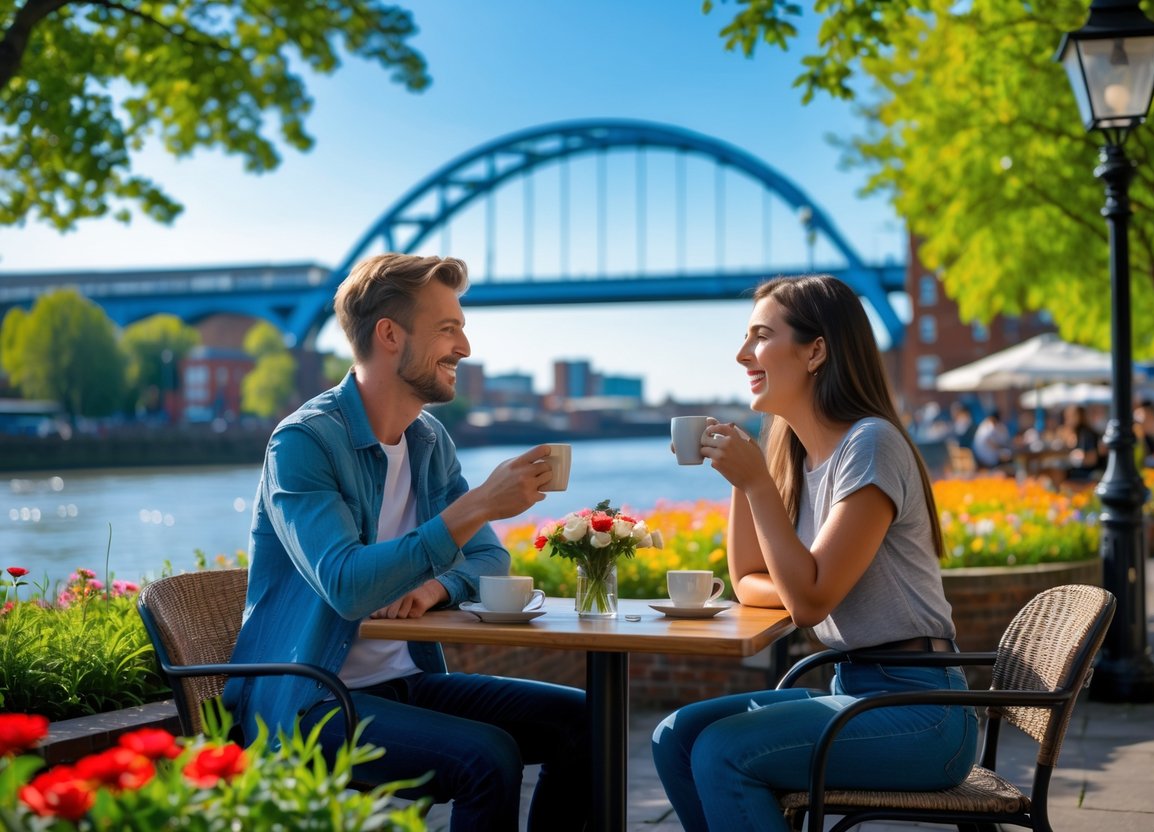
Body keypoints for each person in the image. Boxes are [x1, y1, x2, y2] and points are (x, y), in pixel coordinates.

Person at [222, 253, 589, 832]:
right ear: (390, 335)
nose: (464, 348)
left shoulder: (426, 439)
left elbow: (490, 558)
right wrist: (478, 505)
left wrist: (435, 588)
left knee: (586, 720)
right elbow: (346, 585)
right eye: (449, 329)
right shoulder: (302, 443)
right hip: (312, 698)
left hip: (407, 682)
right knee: (487, 757)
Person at [651, 275, 977, 831]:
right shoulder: (799, 457)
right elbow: (751, 579)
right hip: (852, 689)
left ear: (816, 350)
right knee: (675, 737)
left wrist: (757, 487)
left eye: (760, 335)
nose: (741, 353)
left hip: (922, 712)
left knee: (722, 752)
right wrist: (743, 478)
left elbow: (809, 602)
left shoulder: (870, 444)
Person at [1059, 403, 1104, 482]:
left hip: (1089, 472)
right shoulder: (1074, 433)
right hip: (1082, 470)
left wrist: (1075, 456)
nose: (1067, 420)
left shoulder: (1086, 434)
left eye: (1070, 416)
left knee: (1056, 473)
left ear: (1079, 417)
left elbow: (1092, 460)